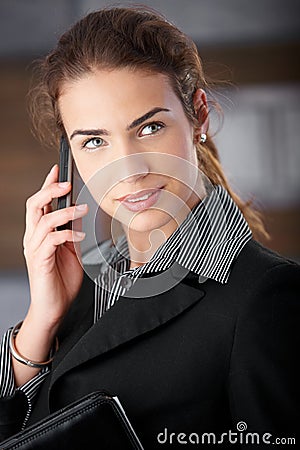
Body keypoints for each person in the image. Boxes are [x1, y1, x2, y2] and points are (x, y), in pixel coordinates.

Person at [0, 6, 299, 448]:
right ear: (69, 156)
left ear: (198, 113)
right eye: (95, 141)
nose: (129, 170)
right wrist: (39, 324)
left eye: (150, 127)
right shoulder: (81, 290)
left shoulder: (268, 297)